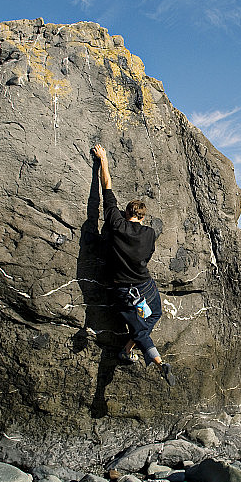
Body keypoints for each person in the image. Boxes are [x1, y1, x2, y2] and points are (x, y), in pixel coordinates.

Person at [91, 143, 175, 386]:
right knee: (153, 314)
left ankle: (134, 351)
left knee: (138, 328)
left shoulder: (116, 223)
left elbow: (106, 188)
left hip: (123, 288)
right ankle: (150, 358)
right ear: (142, 216)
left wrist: (103, 160)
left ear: (126, 212)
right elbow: (147, 255)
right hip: (144, 285)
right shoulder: (149, 233)